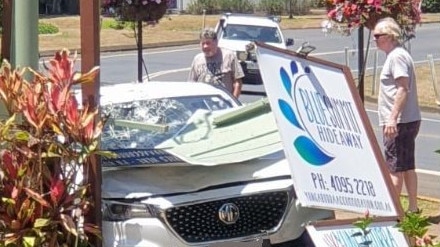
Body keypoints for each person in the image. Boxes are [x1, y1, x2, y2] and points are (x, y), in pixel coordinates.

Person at [373, 17, 422, 213]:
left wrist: (392, 118)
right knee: (407, 165)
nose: (374, 39)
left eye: (378, 35)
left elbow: (403, 88)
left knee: (394, 168)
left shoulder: (397, 57)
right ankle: (412, 208)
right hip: (406, 120)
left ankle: (392, 212)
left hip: (399, 122)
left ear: (390, 36)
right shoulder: (397, 55)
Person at [188, 27, 244, 98]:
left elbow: (237, 82)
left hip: (223, 102)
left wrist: (233, 101)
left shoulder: (229, 56)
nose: (205, 46)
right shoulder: (197, 59)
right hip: (203, 102)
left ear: (216, 42)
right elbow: (192, 83)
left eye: (208, 43)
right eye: (203, 43)